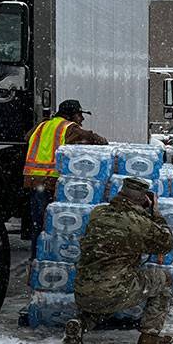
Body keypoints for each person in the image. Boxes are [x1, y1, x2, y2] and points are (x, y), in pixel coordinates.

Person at [63, 177, 173, 344]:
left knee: (102, 295)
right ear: (143, 199)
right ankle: (149, 336)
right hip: (115, 290)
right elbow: (167, 243)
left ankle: (80, 323)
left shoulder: (98, 213)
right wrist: (156, 214)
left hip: (83, 290)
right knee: (164, 280)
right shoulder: (139, 223)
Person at [24, 99, 108, 260]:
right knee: (57, 224)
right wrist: (104, 142)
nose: (81, 120)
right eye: (79, 115)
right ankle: (53, 257)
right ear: (72, 115)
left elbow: (27, 137)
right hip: (52, 182)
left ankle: (37, 257)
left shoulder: (42, 125)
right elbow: (89, 137)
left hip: (34, 180)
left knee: (39, 224)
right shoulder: (68, 128)